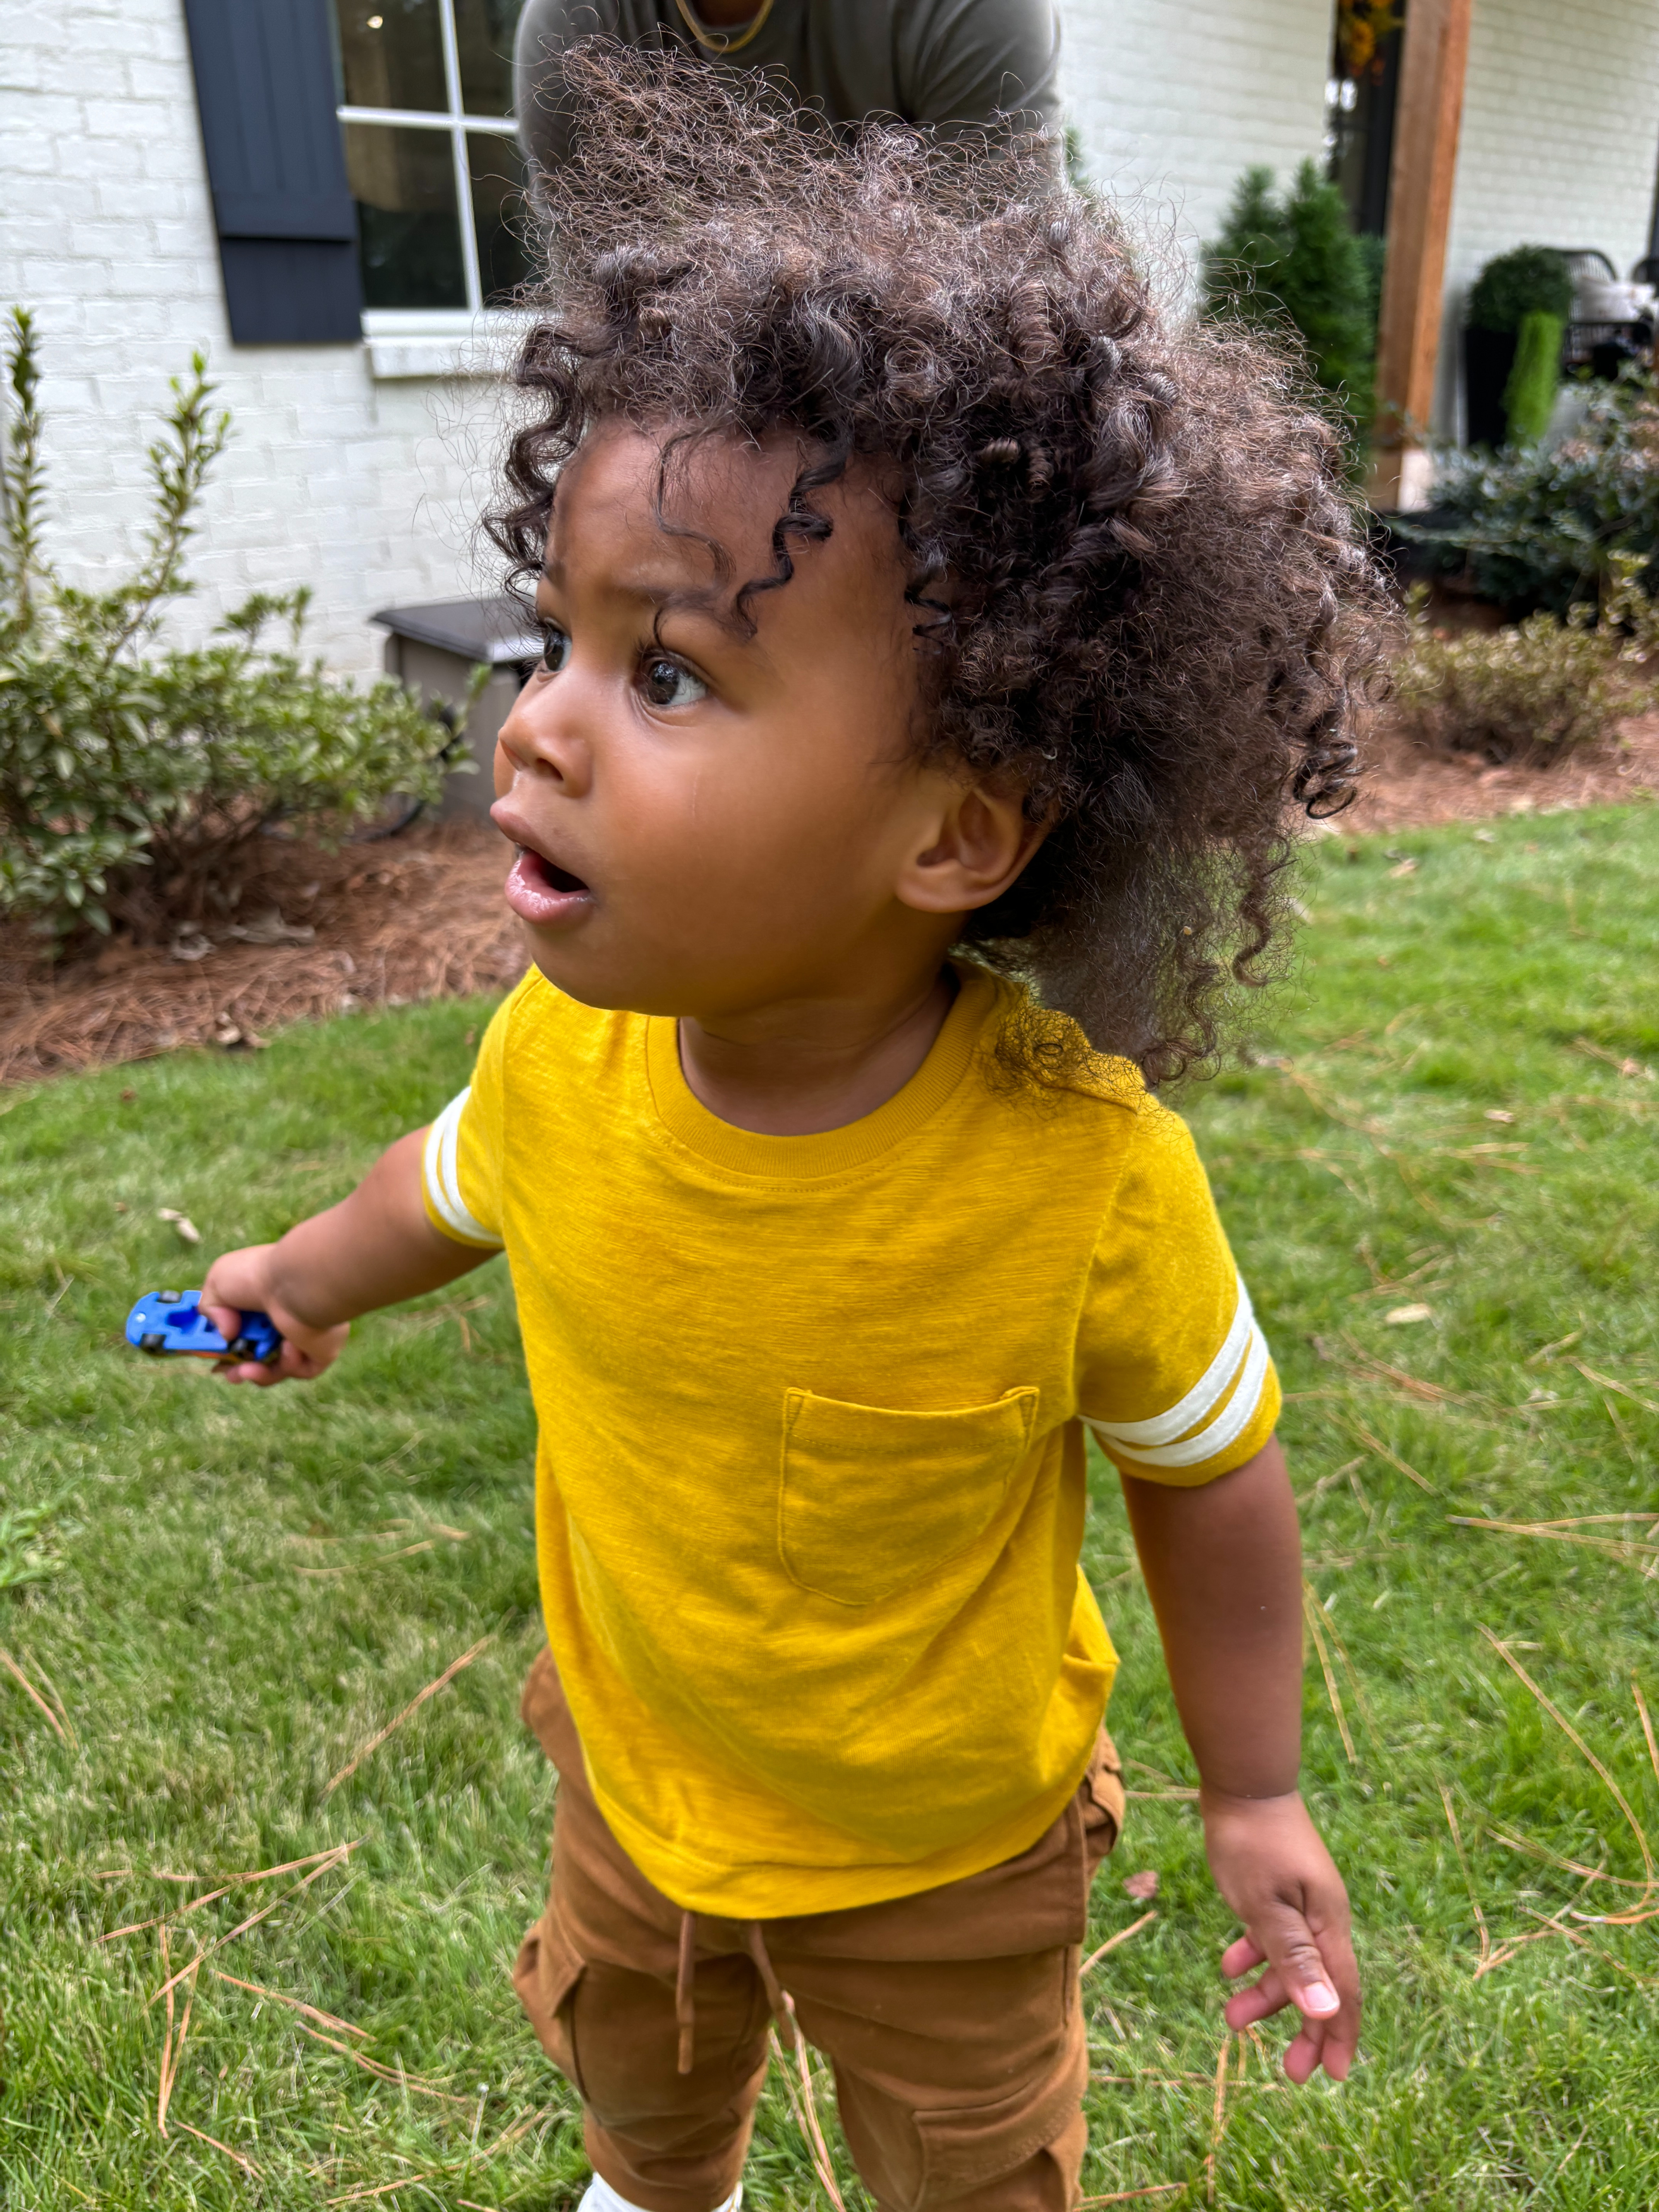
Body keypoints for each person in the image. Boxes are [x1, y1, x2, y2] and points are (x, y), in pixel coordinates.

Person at [201, 46, 1378, 2212]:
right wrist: (291, 1276)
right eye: (559, 637)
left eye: (664, 678)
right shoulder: (556, 1066)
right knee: (641, 2104)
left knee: (966, 2166)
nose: (533, 723)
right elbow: (436, 1195)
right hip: (632, 1794)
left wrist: (1251, 1789)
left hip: (947, 1864)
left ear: (951, 832)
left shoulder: (1080, 1178)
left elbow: (1209, 1475)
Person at [514, 0, 1062, 180]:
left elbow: (1000, 344)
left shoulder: (964, 13)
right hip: (694, 422)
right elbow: (611, 351)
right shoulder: (576, 28)